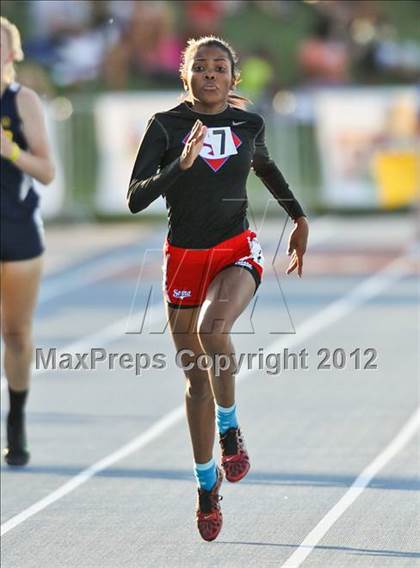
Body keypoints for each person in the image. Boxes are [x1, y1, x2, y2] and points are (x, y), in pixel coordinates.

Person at [127, 36, 308, 541]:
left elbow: (264, 167)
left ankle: (230, 427)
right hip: (183, 260)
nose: (210, 74)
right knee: (195, 383)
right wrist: (177, 168)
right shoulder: (165, 126)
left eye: (219, 67)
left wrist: (297, 215)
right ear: (186, 76)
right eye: (200, 67)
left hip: (235, 251)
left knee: (214, 328)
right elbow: (136, 198)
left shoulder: (248, 123)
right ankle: (207, 488)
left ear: (233, 79)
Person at [0, 17, 55, 466]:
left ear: (13, 55)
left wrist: (11, 150)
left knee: (15, 333)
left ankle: (16, 420)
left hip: (16, 228)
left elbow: (47, 171)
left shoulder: (22, 101)